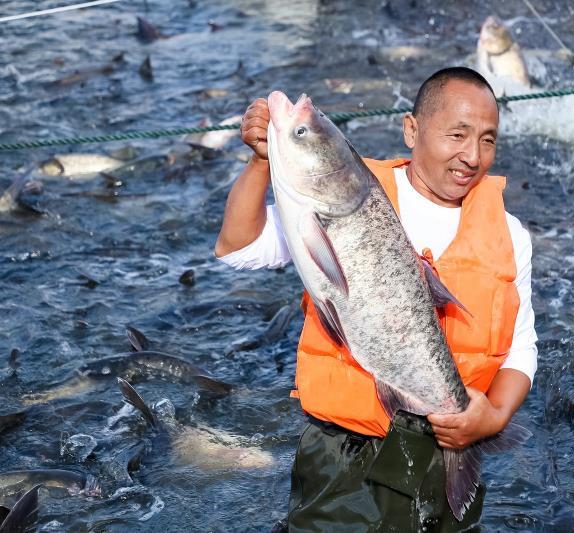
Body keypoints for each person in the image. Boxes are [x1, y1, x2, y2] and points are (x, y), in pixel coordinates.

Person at [215, 67, 537, 532]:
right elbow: (238, 247)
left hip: (443, 450)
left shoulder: (511, 234)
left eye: (487, 140)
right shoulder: (341, 192)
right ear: (411, 130)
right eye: (457, 135)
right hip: (340, 460)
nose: (471, 155)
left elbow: (522, 348)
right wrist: (262, 161)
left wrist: (493, 417)